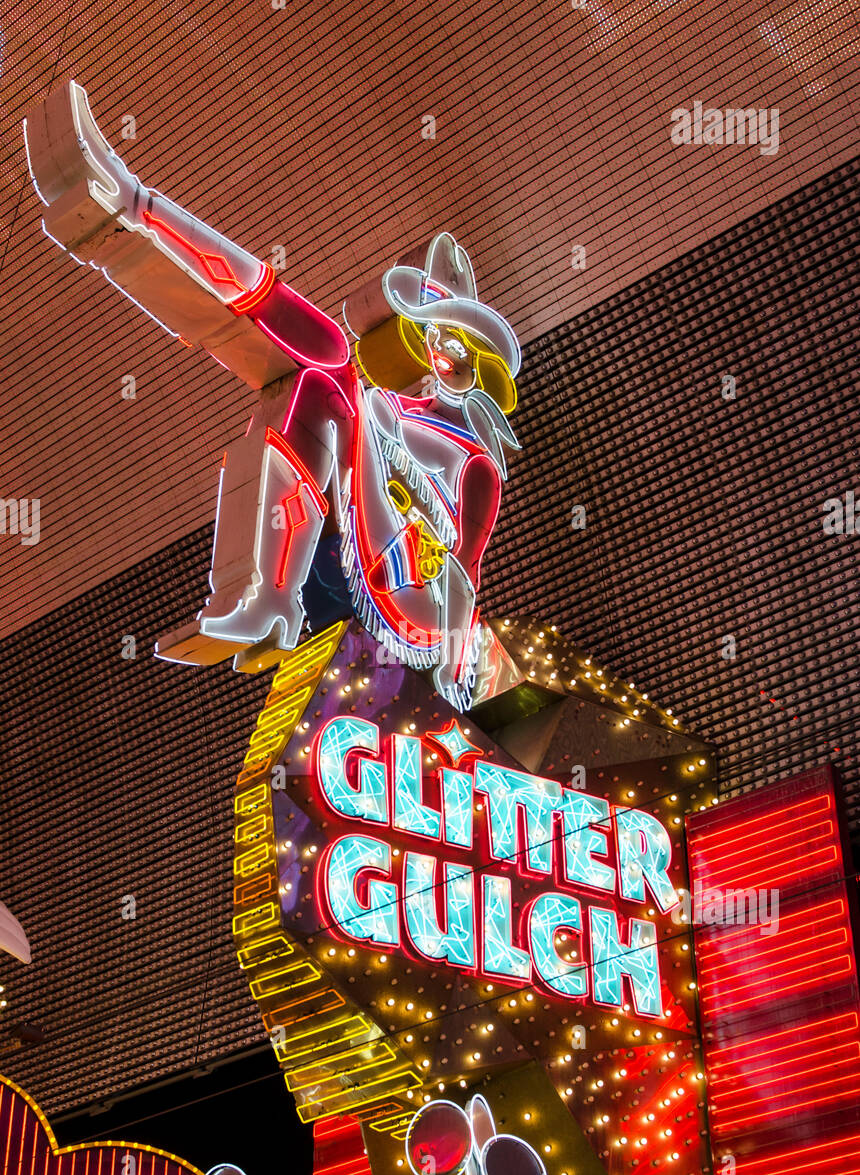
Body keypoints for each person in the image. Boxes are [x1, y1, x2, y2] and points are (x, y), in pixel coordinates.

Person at [25, 81, 522, 709]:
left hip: (414, 597)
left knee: (333, 366)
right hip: (362, 547)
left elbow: (466, 570)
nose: (442, 354)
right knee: (314, 379)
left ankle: (130, 207)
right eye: (437, 337)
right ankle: (265, 599)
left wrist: (455, 669)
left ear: (481, 370)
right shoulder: (392, 406)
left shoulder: (477, 461)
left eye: (459, 349)